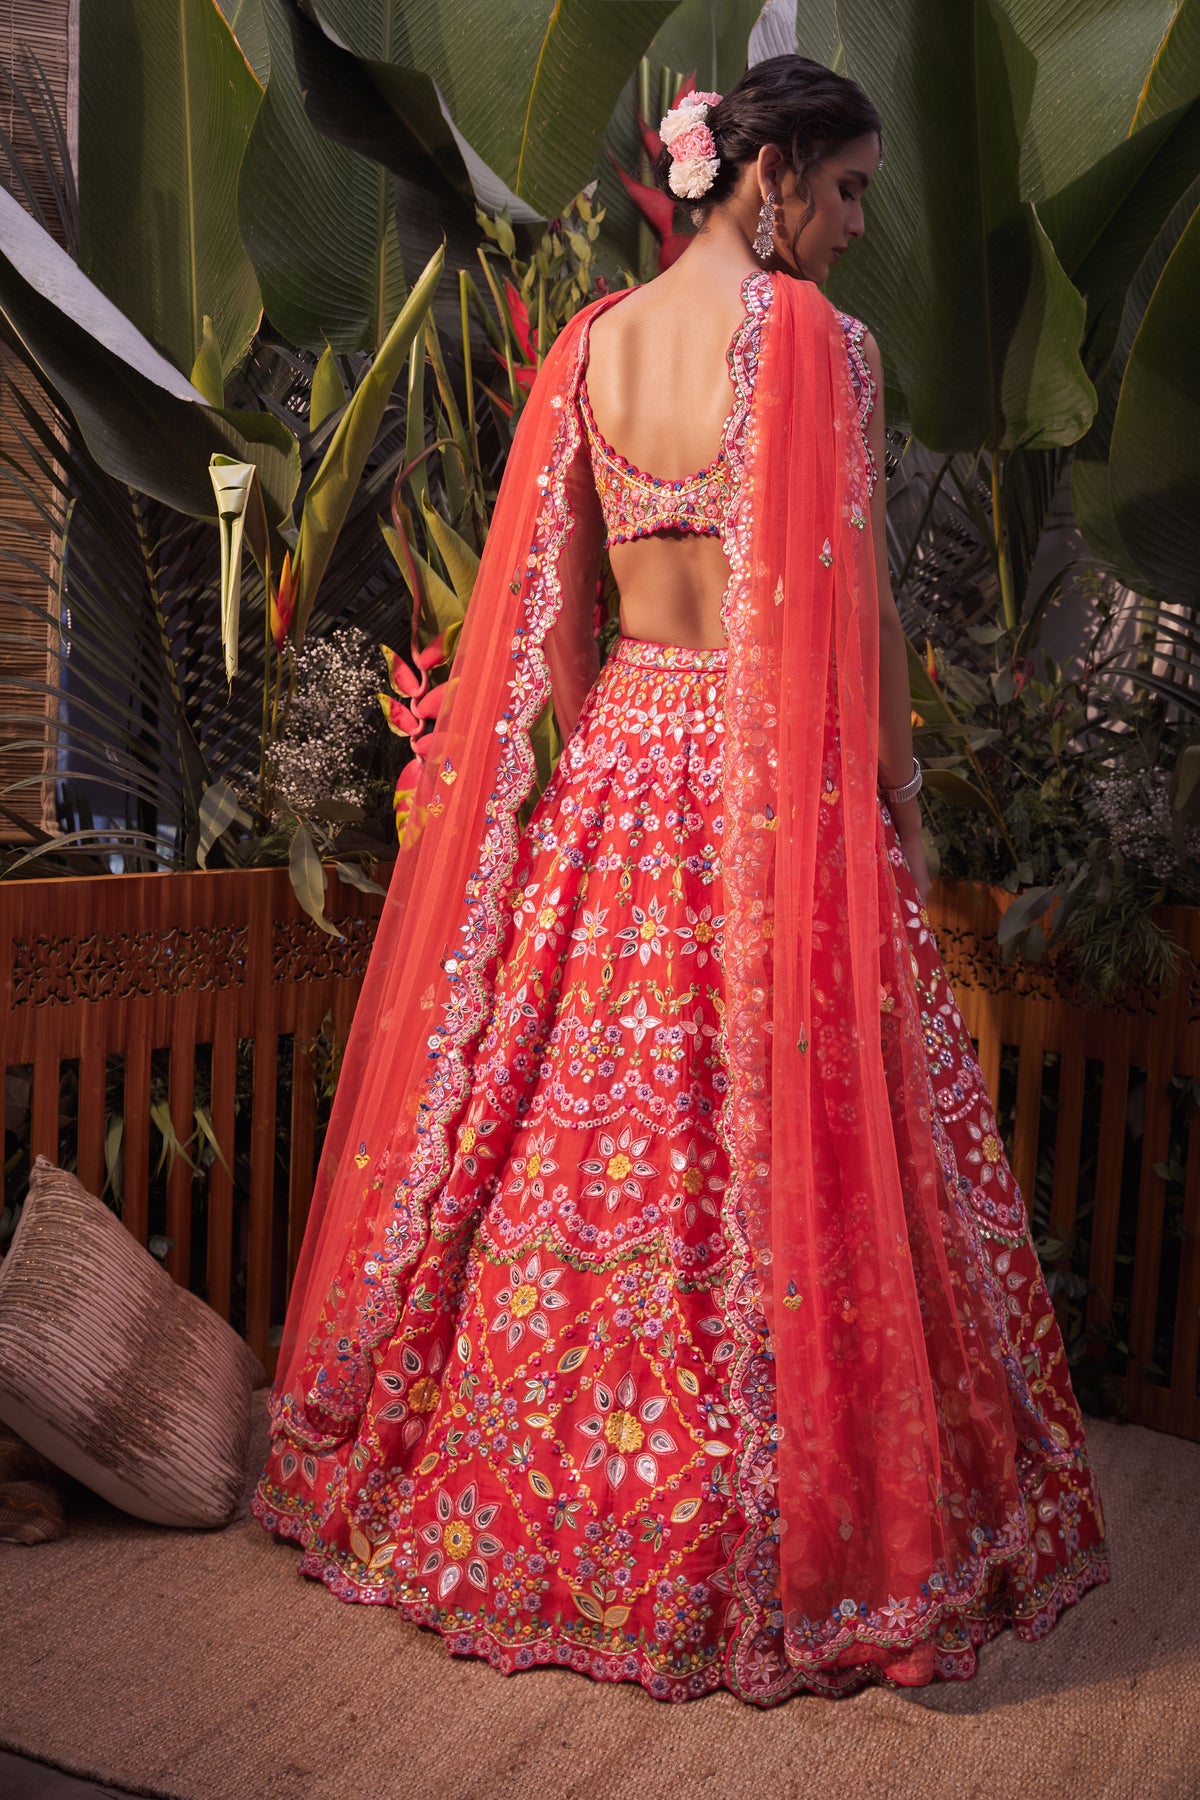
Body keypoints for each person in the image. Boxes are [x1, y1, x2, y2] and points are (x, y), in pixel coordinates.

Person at [252, 56, 1110, 1704]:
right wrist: (902, 799)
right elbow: (851, 612)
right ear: (767, 175)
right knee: (797, 1138)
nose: (860, 225)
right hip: (766, 786)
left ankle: (545, 1505)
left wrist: (604, 777)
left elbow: (558, 622)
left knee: (577, 1148)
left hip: (622, 764)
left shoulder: (589, 347)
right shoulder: (810, 347)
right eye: (848, 189)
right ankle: (776, 1528)